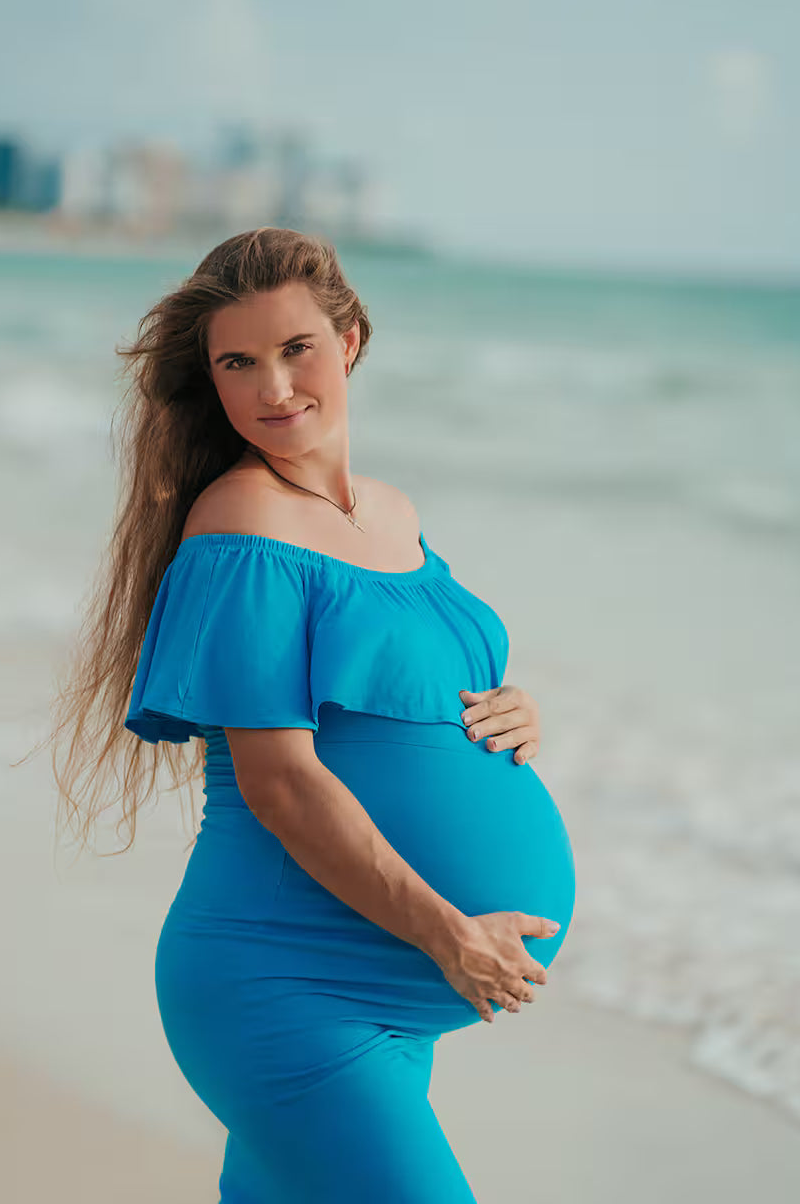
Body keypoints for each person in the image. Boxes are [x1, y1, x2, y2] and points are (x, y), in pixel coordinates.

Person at [49, 227, 575, 1202]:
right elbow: (282, 784)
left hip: (385, 986)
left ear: (350, 341)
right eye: (238, 363)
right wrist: (449, 935)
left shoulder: (394, 512)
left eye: (296, 349)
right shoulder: (241, 522)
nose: (275, 386)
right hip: (289, 983)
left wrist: (516, 709)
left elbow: (410, 684)